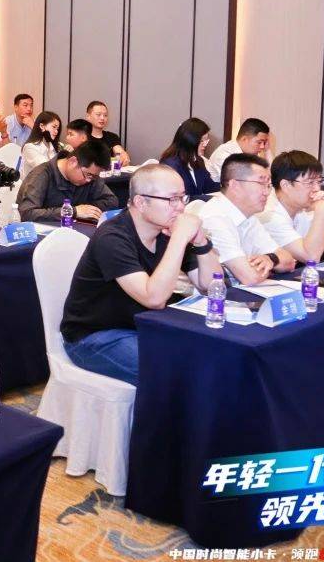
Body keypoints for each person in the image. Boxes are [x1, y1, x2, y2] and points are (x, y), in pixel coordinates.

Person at [60, 164, 222, 386]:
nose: (180, 207)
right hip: (96, 336)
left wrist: (201, 241)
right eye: (172, 199)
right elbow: (154, 299)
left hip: (146, 327)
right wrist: (179, 238)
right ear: (141, 202)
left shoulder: (167, 231)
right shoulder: (112, 236)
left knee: (214, 354)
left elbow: (211, 286)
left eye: (182, 198)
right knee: (176, 371)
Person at [199, 154, 296, 285]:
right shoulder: (215, 217)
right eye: (261, 183)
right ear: (235, 185)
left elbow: (289, 262)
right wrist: (267, 268)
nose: (267, 192)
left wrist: (271, 259)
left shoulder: (248, 216)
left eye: (268, 185)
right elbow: (250, 277)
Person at [260, 151, 324, 262]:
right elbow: (311, 258)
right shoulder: (269, 215)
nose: (317, 188)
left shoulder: (302, 207)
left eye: (319, 181)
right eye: (310, 183)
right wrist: (322, 211)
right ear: (286, 185)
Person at [16, 139, 119, 222]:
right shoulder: (41, 175)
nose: (89, 180)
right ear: (73, 162)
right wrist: (72, 211)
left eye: (94, 177)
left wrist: (86, 210)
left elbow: (111, 201)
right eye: (88, 175)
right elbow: (26, 213)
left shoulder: (91, 175)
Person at [159, 117, 220, 197]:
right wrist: (205, 199)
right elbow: (180, 197)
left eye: (206, 140)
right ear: (189, 140)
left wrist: (227, 186)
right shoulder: (171, 165)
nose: (205, 144)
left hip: (196, 204)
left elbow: (208, 186)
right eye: (202, 141)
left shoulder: (198, 160)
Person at [207, 117, 271, 183]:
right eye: (259, 142)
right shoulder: (225, 154)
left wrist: (267, 150)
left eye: (264, 143)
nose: (262, 147)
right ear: (244, 139)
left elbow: (269, 178)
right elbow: (242, 184)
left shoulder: (248, 155)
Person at [85, 101, 129, 166]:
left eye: (105, 115)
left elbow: (119, 151)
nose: (102, 118)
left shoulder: (112, 136)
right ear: (88, 116)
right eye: (98, 114)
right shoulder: (82, 137)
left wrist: (123, 155)